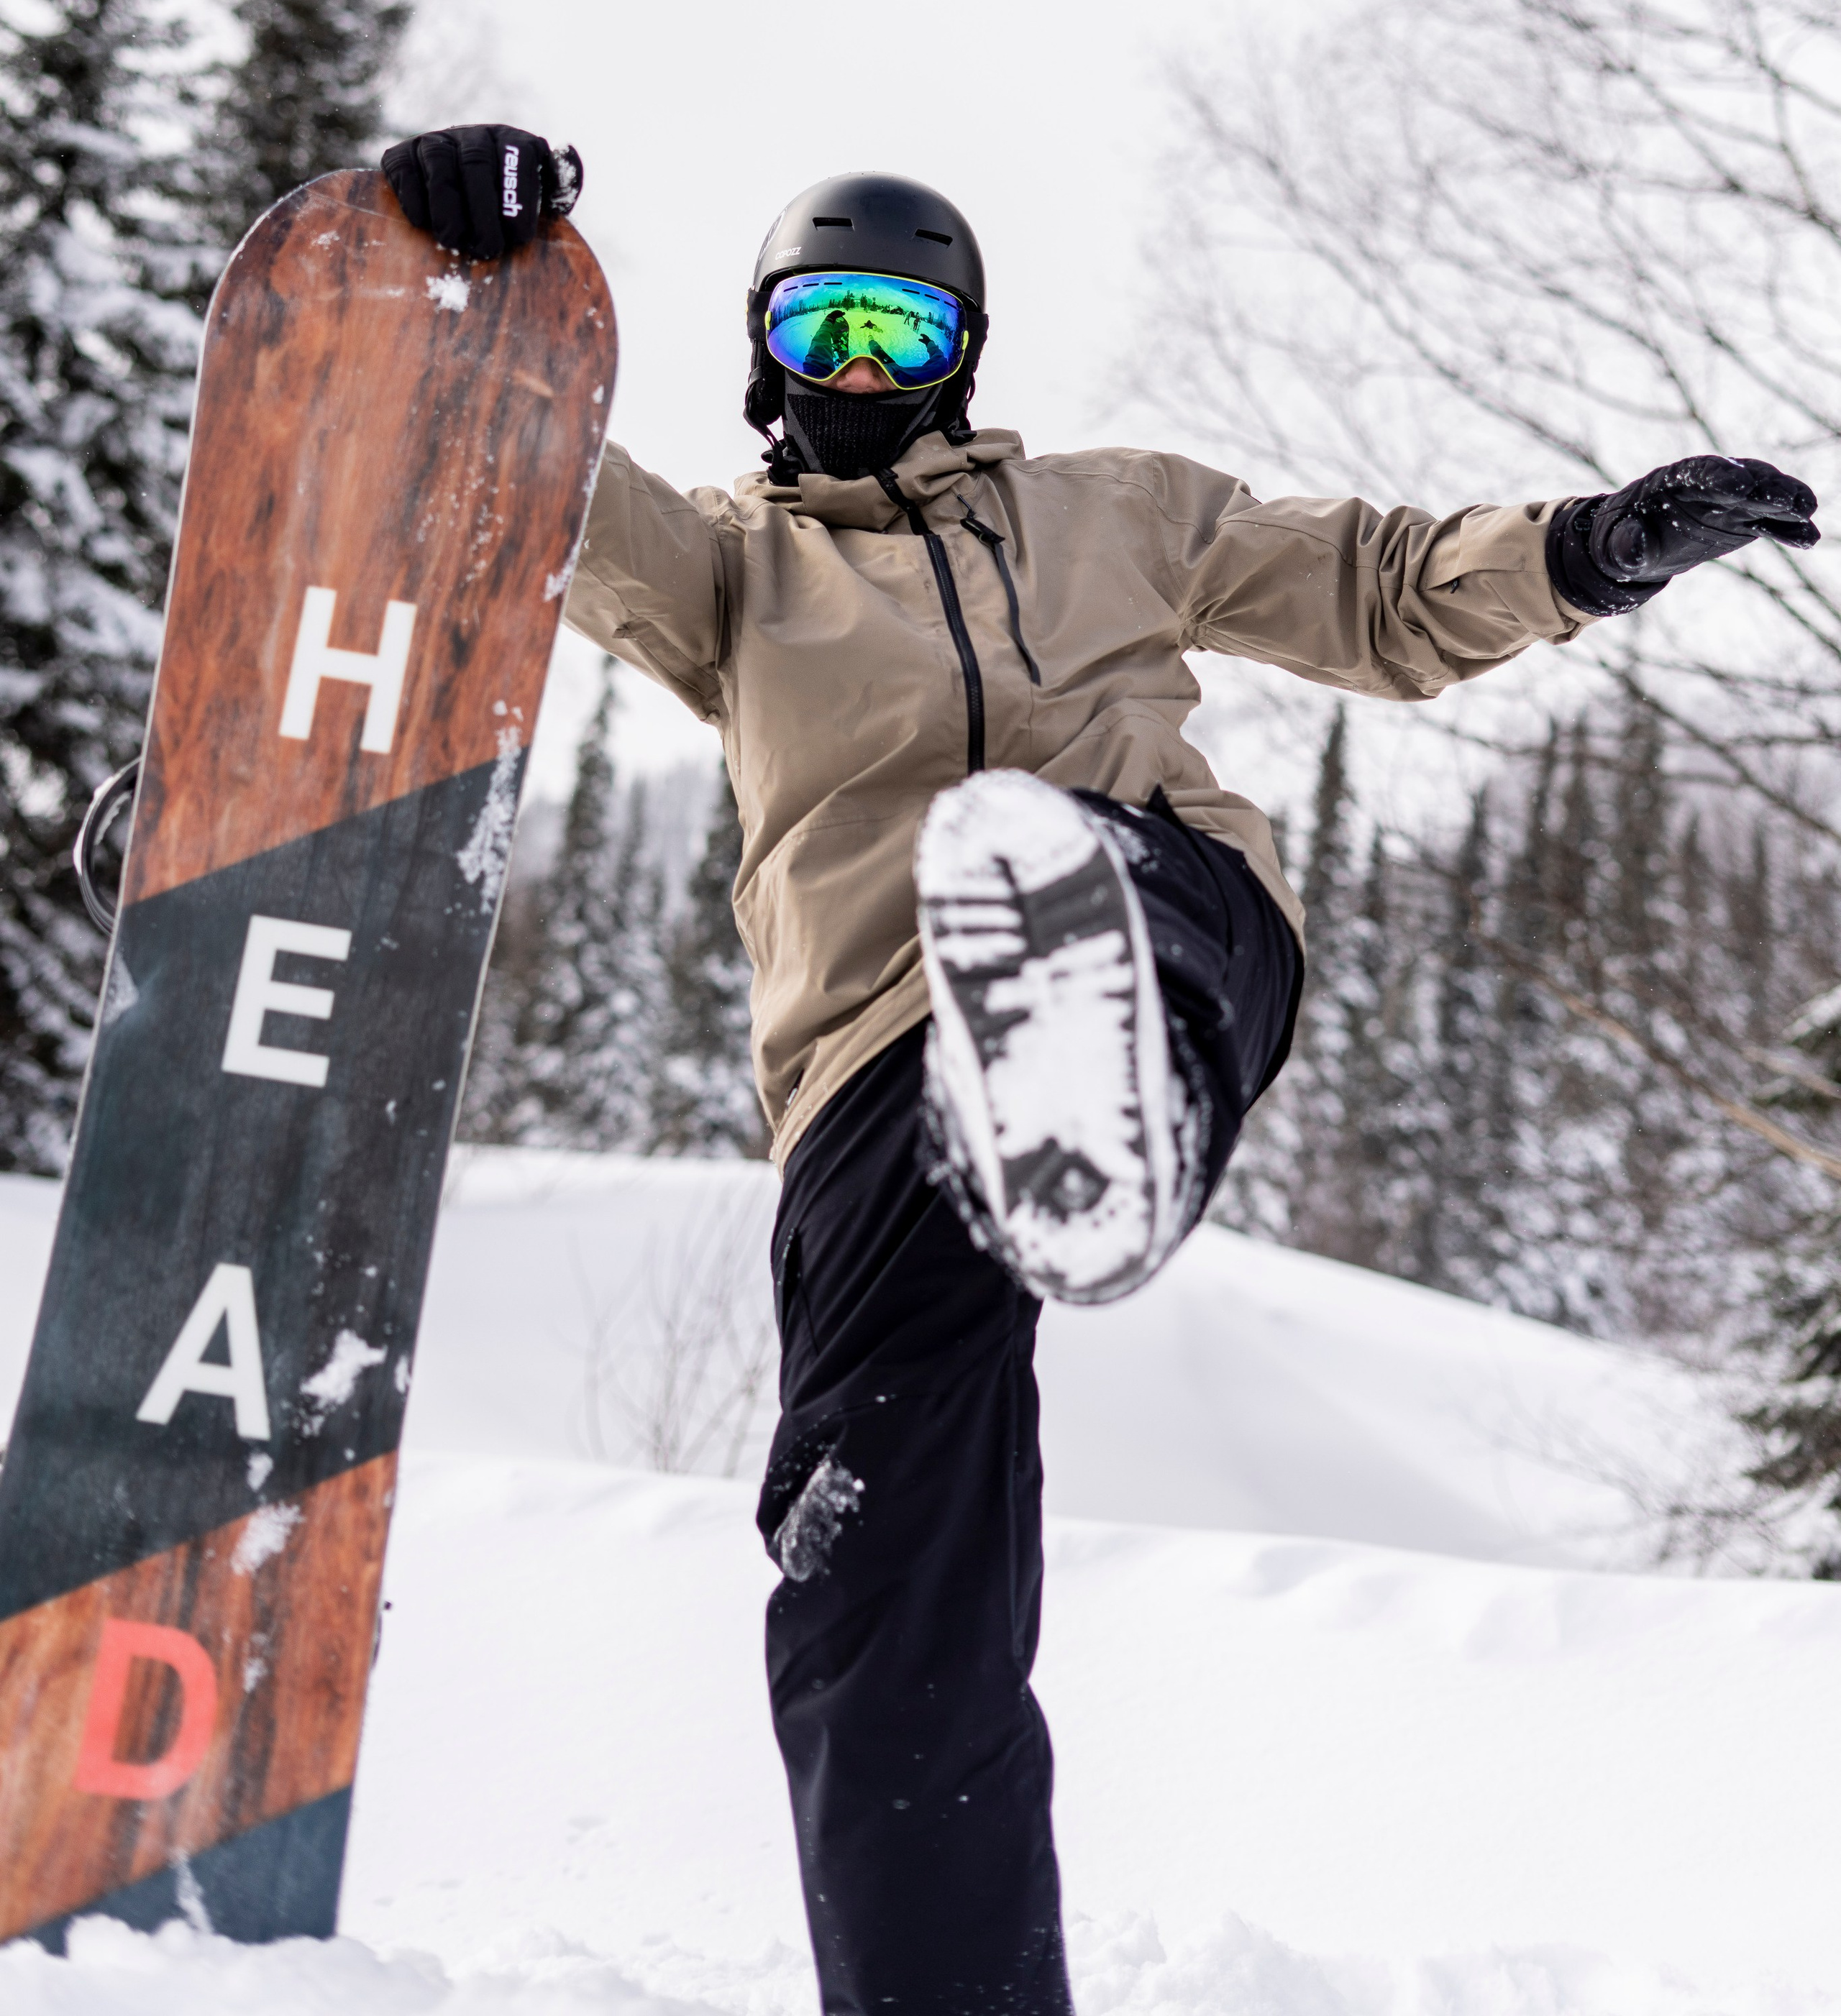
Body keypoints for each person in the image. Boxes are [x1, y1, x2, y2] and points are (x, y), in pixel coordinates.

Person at [382, 124, 1819, 2016]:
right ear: (767, 349)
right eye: (831, 328)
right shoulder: (730, 570)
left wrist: (1584, 550)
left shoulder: (1115, 514)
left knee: (1091, 878)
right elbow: (525, 495)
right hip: (879, 1086)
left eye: (907, 333)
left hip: (1168, 918)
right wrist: (454, 281)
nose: (868, 374)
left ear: (966, 356)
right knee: (867, 1573)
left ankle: (1093, 1052)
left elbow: (1373, 586)